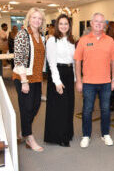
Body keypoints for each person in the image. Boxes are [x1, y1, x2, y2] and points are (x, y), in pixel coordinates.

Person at [74, 12, 114, 148]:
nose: (99, 24)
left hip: (105, 82)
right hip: (88, 83)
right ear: (91, 24)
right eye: (96, 21)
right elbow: (77, 62)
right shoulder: (83, 40)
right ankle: (86, 135)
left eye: (101, 22)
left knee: (105, 110)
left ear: (104, 25)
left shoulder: (110, 41)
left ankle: (105, 134)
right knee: (87, 110)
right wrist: (79, 80)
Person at [13, 7, 46, 152]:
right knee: (26, 108)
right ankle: (29, 137)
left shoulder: (42, 35)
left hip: (37, 77)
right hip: (23, 77)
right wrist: (24, 80)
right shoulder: (23, 34)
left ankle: (23, 132)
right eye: (34, 17)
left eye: (39, 18)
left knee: (36, 105)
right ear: (29, 18)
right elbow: (18, 60)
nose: (37, 20)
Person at [44, 14, 75, 147]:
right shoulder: (52, 40)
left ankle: (67, 133)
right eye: (61, 23)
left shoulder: (71, 40)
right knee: (59, 107)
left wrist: (74, 78)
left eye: (66, 24)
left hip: (69, 74)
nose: (63, 26)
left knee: (69, 106)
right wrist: (57, 81)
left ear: (69, 26)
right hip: (57, 74)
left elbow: (73, 61)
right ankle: (59, 137)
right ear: (57, 25)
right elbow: (51, 63)